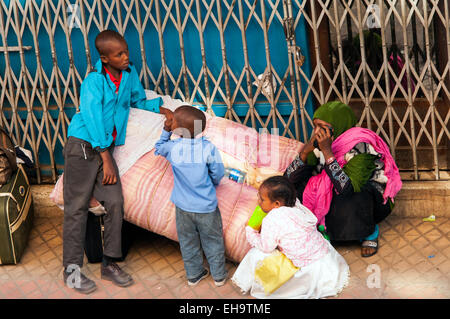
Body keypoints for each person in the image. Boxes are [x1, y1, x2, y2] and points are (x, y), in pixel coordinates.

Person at [62, 29, 171, 294]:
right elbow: (92, 117)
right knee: (76, 208)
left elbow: (136, 101)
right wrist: (105, 156)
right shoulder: (93, 81)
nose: (126, 57)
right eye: (119, 54)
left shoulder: (129, 73)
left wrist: (162, 109)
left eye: (126, 52)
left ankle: (109, 263)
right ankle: (71, 271)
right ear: (105, 58)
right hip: (84, 147)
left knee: (115, 201)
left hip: (104, 150)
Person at [284, 101, 402, 257]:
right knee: (295, 189)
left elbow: (347, 188)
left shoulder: (361, 145)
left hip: (367, 200)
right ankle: (326, 229)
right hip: (334, 192)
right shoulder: (319, 143)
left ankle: (369, 232)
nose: (317, 132)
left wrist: (327, 152)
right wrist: (305, 153)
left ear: (338, 125)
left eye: (323, 127)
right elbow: (287, 181)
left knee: (351, 196)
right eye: (316, 126)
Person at [231, 176, 350, 299]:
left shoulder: (272, 218)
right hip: (324, 258)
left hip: (307, 269)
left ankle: (254, 284)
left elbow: (266, 247)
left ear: (277, 204)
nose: (258, 201)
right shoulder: (296, 204)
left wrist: (250, 231)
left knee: (256, 253)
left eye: (262, 199)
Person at [155, 105, 228, 287]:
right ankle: (219, 276)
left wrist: (165, 130)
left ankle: (194, 275)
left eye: (173, 122)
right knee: (213, 240)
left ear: (177, 129)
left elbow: (158, 148)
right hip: (207, 207)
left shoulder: (173, 147)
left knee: (188, 242)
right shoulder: (208, 148)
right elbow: (218, 173)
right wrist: (213, 183)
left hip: (183, 208)